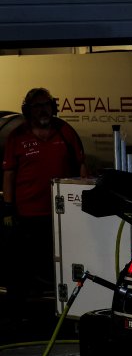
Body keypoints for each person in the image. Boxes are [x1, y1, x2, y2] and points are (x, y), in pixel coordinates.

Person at [2, 87, 88, 304]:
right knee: (23, 266)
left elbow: (81, 166)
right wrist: (8, 207)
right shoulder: (17, 136)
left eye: (47, 105)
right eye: (37, 106)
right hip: (27, 215)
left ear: (54, 107)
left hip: (62, 214)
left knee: (58, 263)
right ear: (28, 110)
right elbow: (9, 174)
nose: (43, 110)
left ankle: (59, 305)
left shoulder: (65, 131)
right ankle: (19, 310)